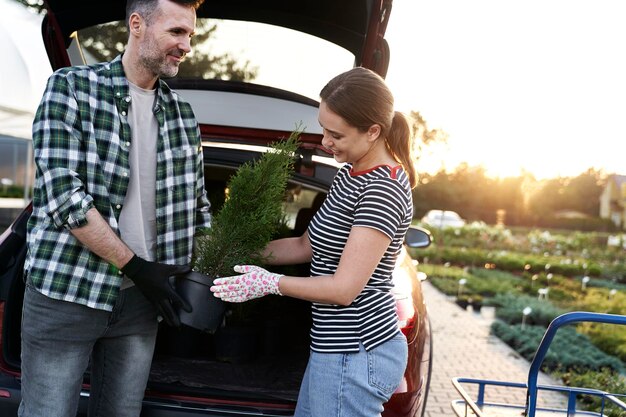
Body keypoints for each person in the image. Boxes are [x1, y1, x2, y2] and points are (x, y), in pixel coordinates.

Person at [20, 0, 210, 416]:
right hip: (68, 291)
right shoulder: (70, 88)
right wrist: (136, 266)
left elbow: (199, 208)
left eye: (190, 35)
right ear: (137, 24)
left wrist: (213, 275)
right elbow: (63, 197)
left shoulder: (183, 115)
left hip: (143, 302)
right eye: (176, 32)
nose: (186, 45)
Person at [211, 66, 419, 417]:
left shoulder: (383, 189)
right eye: (323, 128)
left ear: (373, 131)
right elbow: (304, 246)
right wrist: (227, 249)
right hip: (331, 349)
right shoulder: (349, 176)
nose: (324, 141)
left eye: (335, 134)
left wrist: (270, 284)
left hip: (357, 353)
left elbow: (343, 290)